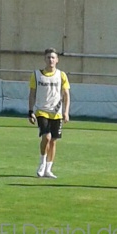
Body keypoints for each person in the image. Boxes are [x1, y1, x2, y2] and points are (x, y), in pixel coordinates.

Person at [28, 48, 71, 179]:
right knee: (46, 137)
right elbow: (32, 94)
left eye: (53, 57)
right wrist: (30, 111)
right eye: (48, 57)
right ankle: (42, 163)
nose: (50, 60)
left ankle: (48, 168)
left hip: (56, 112)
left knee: (53, 141)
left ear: (57, 60)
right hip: (42, 111)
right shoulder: (36, 75)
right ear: (44, 59)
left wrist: (66, 111)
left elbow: (66, 94)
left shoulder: (61, 75)